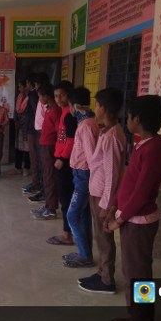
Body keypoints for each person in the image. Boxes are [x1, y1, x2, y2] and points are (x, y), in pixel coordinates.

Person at [105, 95, 161, 321]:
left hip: (139, 222)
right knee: (133, 271)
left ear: (138, 119)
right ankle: (137, 316)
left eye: (129, 116)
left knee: (139, 274)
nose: (126, 120)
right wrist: (115, 205)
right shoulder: (145, 144)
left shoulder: (154, 149)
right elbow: (130, 182)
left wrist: (119, 219)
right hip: (132, 218)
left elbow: (142, 193)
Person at [78, 87, 127, 294]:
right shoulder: (107, 131)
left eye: (97, 105)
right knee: (100, 237)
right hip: (98, 192)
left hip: (102, 197)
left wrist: (106, 205)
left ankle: (107, 280)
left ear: (104, 108)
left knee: (105, 239)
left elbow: (112, 174)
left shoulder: (112, 136)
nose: (95, 108)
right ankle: (102, 273)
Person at [63, 86, 99, 268]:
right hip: (80, 174)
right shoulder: (87, 122)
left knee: (72, 215)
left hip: (84, 176)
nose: (69, 109)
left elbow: (92, 157)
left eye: (70, 105)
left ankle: (85, 255)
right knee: (83, 215)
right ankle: (85, 253)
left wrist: (91, 181)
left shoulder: (86, 126)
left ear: (75, 106)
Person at [46, 81, 77, 243]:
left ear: (69, 96)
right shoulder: (64, 112)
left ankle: (67, 234)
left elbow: (71, 140)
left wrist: (62, 159)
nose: (58, 99)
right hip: (60, 158)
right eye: (56, 96)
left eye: (62, 95)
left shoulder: (70, 115)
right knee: (64, 197)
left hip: (64, 161)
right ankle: (69, 231)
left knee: (66, 199)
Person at [32, 82, 61, 220]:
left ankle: (51, 208)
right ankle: (48, 204)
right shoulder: (49, 108)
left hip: (50, 147)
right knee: (46, 175)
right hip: (45, 145)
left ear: (46, 96)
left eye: (40, 96)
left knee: (49, 176)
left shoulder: (55, 110)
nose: (39, 99)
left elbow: (59, 131)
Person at [10, 79, 31, 176]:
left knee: (27, 147)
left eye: (20, 86)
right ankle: (18, 167)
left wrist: (23, 121)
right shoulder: (19, 96)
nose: (19, 89)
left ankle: (26, 168)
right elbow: (16, 110)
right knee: (18, 146)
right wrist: (16, 121)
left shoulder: (30, 97)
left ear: (26, 86)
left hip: (27, 125)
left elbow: (30, 113)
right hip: (19, 125)